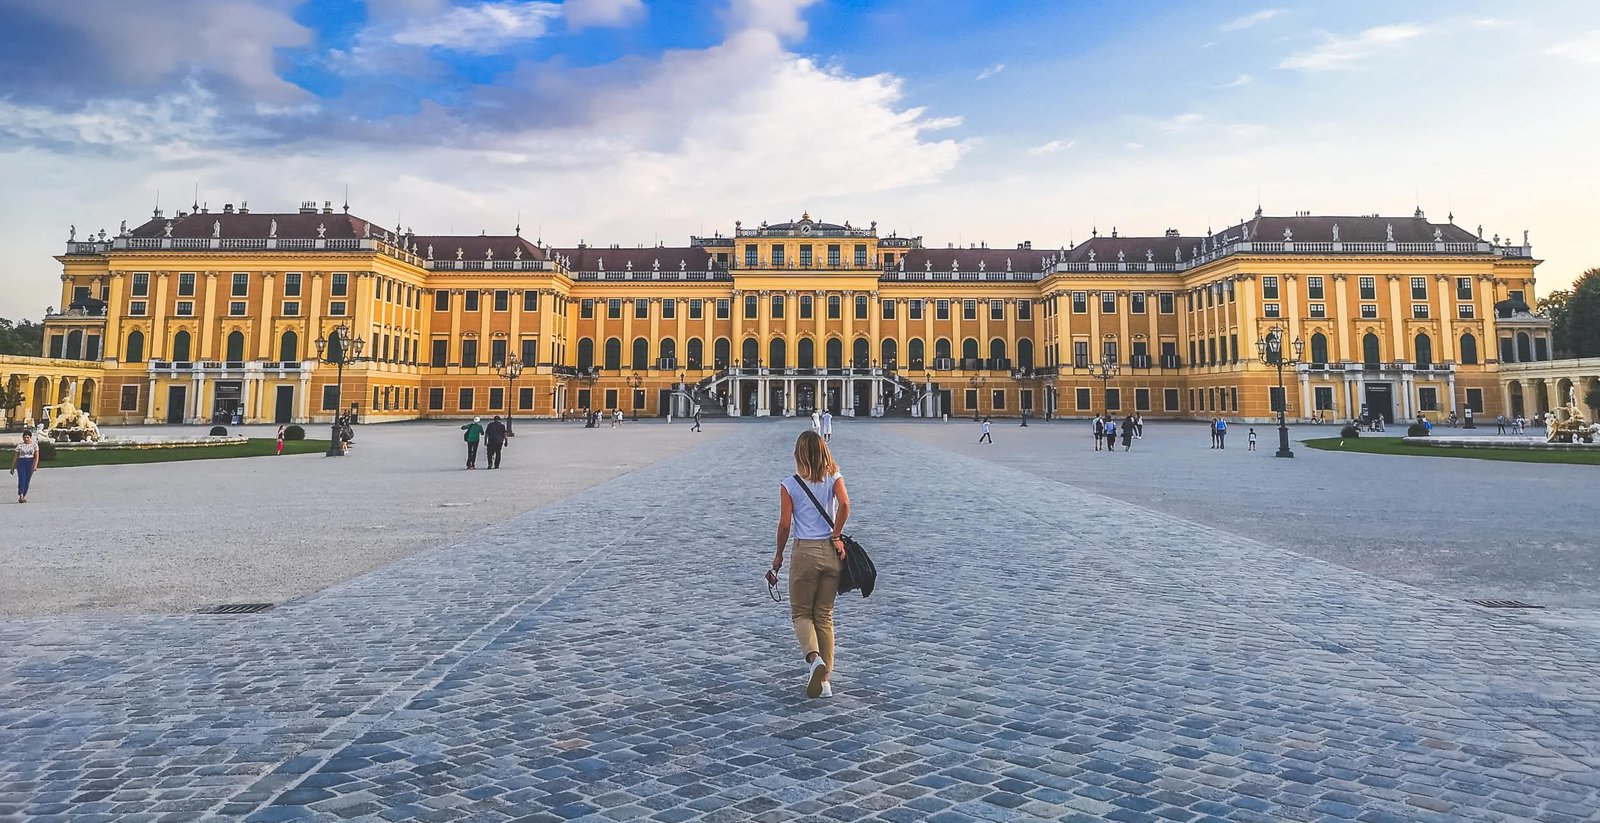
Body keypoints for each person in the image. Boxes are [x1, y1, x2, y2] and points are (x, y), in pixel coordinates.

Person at [770, 431, 850, 699]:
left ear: (798, 454)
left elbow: (784, 525)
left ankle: (814, 659)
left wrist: (778, 556)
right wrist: (836, 534)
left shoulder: (789, 484)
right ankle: (826, 683)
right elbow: (845, 505)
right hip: (831, 551)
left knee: (801, 614)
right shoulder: (834, 477)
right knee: (824, 616)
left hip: (804, 552)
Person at [11, 429, 40, 503]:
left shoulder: (34, 445)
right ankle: (20, 494)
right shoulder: (19, 445)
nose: (26, 439)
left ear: (30, 437)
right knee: (22, 479)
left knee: (27, 480)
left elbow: (36, 457)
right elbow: (15, 457)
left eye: (27, 437)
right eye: (24, 437)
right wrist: (12, 467)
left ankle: (24, 495)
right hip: (21, 462)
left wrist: (35, 465)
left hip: (30, 463)